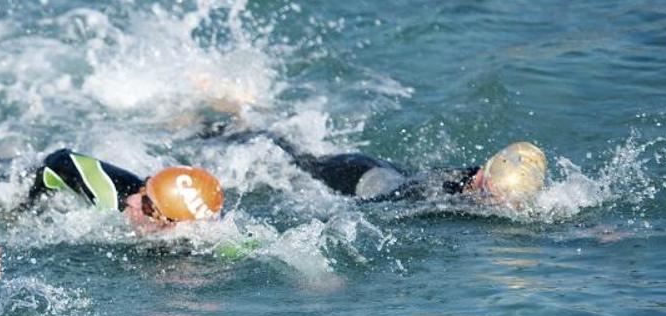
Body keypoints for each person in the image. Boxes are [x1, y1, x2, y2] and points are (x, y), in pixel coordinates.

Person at [216, 130, 549, 208]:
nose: (501, 205)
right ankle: (225, 127)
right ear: (480, 179)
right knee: (295, 158)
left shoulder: (481, 177)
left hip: (387, 169)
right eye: (492, 195)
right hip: (354, 174)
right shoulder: (428, 193)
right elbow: (367, 212)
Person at [23, 148, 225, 231]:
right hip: (22, 172)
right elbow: (58, 161)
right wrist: (26, 209)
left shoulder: (180, 234)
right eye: (144, 192)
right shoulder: (109, 192)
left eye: (147, 207)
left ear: (171, 225)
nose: (133, 202)